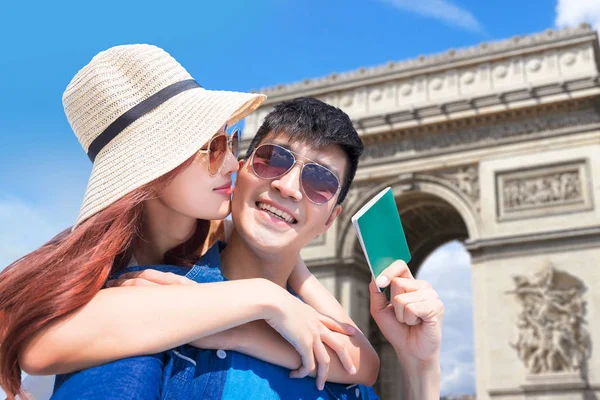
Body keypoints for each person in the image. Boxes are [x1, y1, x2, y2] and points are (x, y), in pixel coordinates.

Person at [0, 45, 372, 399]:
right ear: (154, 166)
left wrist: (275, 301)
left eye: (232, 143)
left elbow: (362, 360)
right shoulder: (116, 278)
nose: (232, 165)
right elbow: (39, 347)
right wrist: (267, 298)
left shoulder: (220, 234)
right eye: (212, 149)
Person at [62, 97, 443, 399]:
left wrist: (419, 362)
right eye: (274, 160)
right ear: (238, 173)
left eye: (320, 182)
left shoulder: (342, 360)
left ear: (331, 218)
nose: (289, 187)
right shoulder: (152, 296)